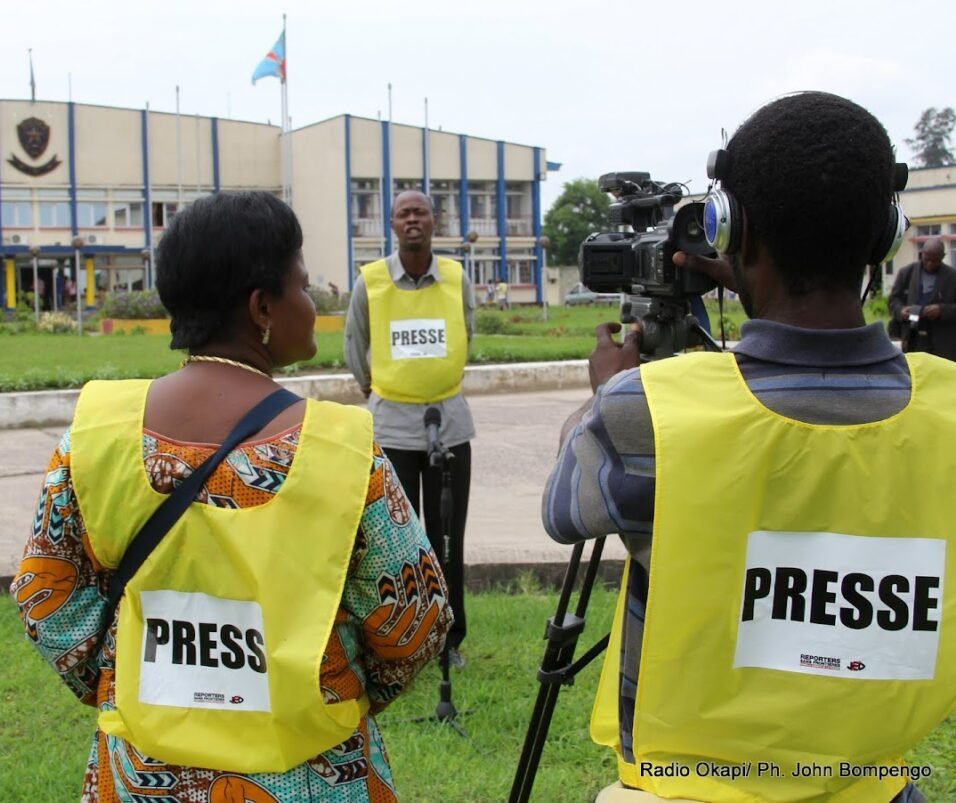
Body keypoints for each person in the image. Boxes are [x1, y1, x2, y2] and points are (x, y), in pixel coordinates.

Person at [542, 92, 955, 803]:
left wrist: (604, 390)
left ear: (731, 230)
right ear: (885, 238)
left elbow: (564, 510)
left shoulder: (648, 411)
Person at [12, 191, 451, 802]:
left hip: (142, 773)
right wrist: (334, 689)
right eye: (302, 286)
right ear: (262, 306)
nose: (309, 303)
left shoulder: (96, 435)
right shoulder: (341, 449)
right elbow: (416, 620)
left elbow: (44, 596)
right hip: (311, 773)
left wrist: (120, 682)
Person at [344, 189, 475, 669]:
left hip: (450, 424)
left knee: (447, 537)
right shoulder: (371, 282)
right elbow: (355, 344)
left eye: (420, 212)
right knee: (395, 542)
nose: (413, 219)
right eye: (404, 214)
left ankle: (448, 639)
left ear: (434, 221)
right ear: (393, 224)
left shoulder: (457, 278)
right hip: (392, 427)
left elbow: (467, 332)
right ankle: (398, 636)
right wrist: (377, 389)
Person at [888, 238, 956, 359]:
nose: (930, 263)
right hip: (913, 336)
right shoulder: (906, 273)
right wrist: (901, 310)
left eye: (934, 260)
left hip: (943, 341)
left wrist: (942, 310)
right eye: (927, 259)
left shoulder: (952, 276)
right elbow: (893, 300)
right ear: (921, 254)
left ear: (943, 257)